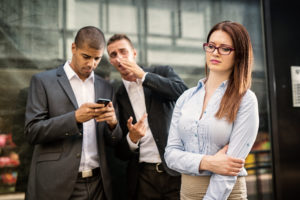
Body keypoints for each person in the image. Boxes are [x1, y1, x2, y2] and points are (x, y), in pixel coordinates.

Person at [165, 21, 259, 200]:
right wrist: (208, 162)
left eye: (225, 48)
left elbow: (229, 170)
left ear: (239, 54)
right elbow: (170, 155)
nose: (215, 52)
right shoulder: (186, 98)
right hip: (187, 193)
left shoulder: (246, 100)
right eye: (211, 46)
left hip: (226, 194)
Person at [24, 26, 122, 200]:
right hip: (57, 184)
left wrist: (113, 124)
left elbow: (114, 141)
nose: (91, 64)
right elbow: (32, 132)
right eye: (86, 56)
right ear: (73, 48)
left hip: (99, 184)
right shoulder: (43, 81)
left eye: (97, 59)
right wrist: (74, 118)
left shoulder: (106, 87)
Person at [106, 34, 187, 200]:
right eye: (113, 55)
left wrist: (143, 76)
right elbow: (119, 152)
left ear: (134, 53)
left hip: (175, 171)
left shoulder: (161, 72)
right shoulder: (117, 95)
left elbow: (183, 93)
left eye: (123, 52)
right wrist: (132, 139)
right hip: (143, 177)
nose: (119, 58)